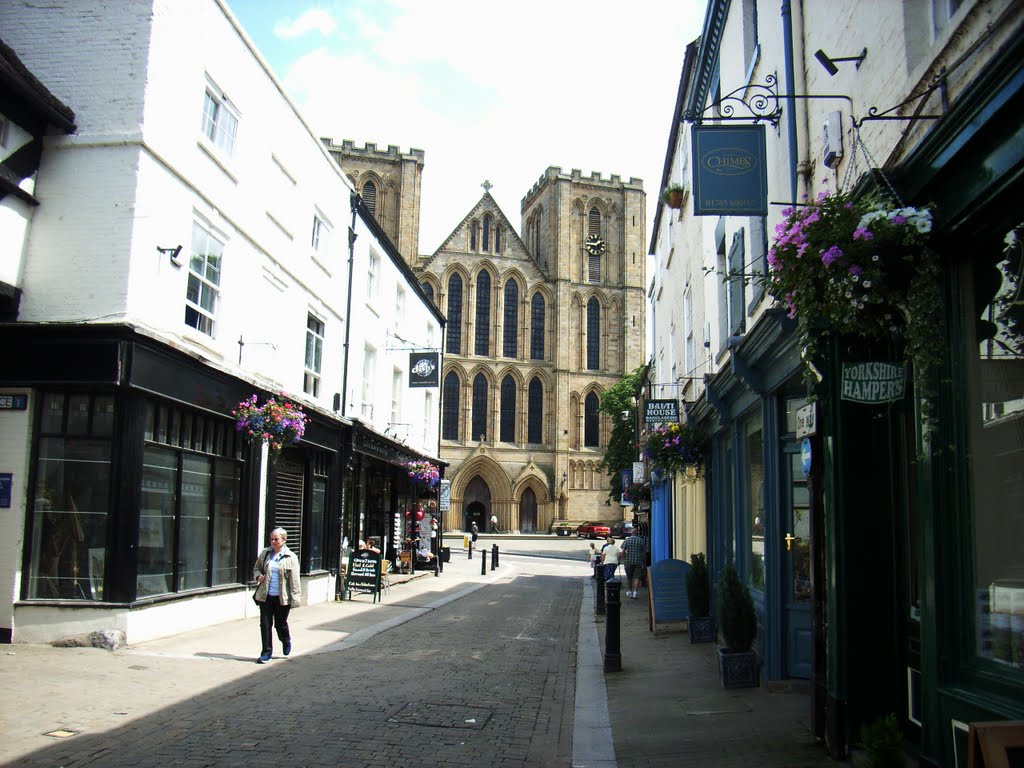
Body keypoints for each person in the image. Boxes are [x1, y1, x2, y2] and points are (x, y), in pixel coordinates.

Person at [252, 527, 301, 664]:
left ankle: (285, 640)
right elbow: (256, 568)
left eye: (276, 539)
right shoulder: (266, 554)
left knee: (280, 624)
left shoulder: (291, 557)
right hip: (265, 596)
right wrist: (258, 576)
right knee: (265, 624)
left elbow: (295, 579)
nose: (273, 541)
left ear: (284, 540)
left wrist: (295, 598)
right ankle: (266, 653)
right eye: (271, 539)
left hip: (282, 598)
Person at [621, 527, 647, 599]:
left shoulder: (627, 540)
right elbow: (643, 553)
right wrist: (644, 563)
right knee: (637, 578)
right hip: (638, 561)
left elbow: (622, 552)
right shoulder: (641, 540)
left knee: (629, 578)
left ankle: (630, 592)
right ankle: (635, 593)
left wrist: (624, 559)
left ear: (631, 533)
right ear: (637, 533)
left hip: (628, 561)